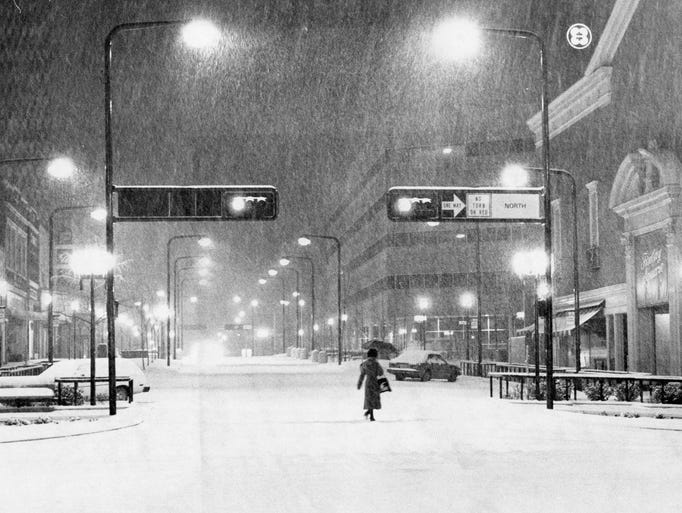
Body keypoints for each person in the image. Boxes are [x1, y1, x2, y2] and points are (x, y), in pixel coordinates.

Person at [357, 348, 384, 421]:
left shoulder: (365, 364)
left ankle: (369, 413)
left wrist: (359, 384)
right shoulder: (376, 364)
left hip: (368, 382)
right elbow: (381, 373)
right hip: (375, 382)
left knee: (369, 398)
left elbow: (362, 375)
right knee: (374, 398)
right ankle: (371, 415)